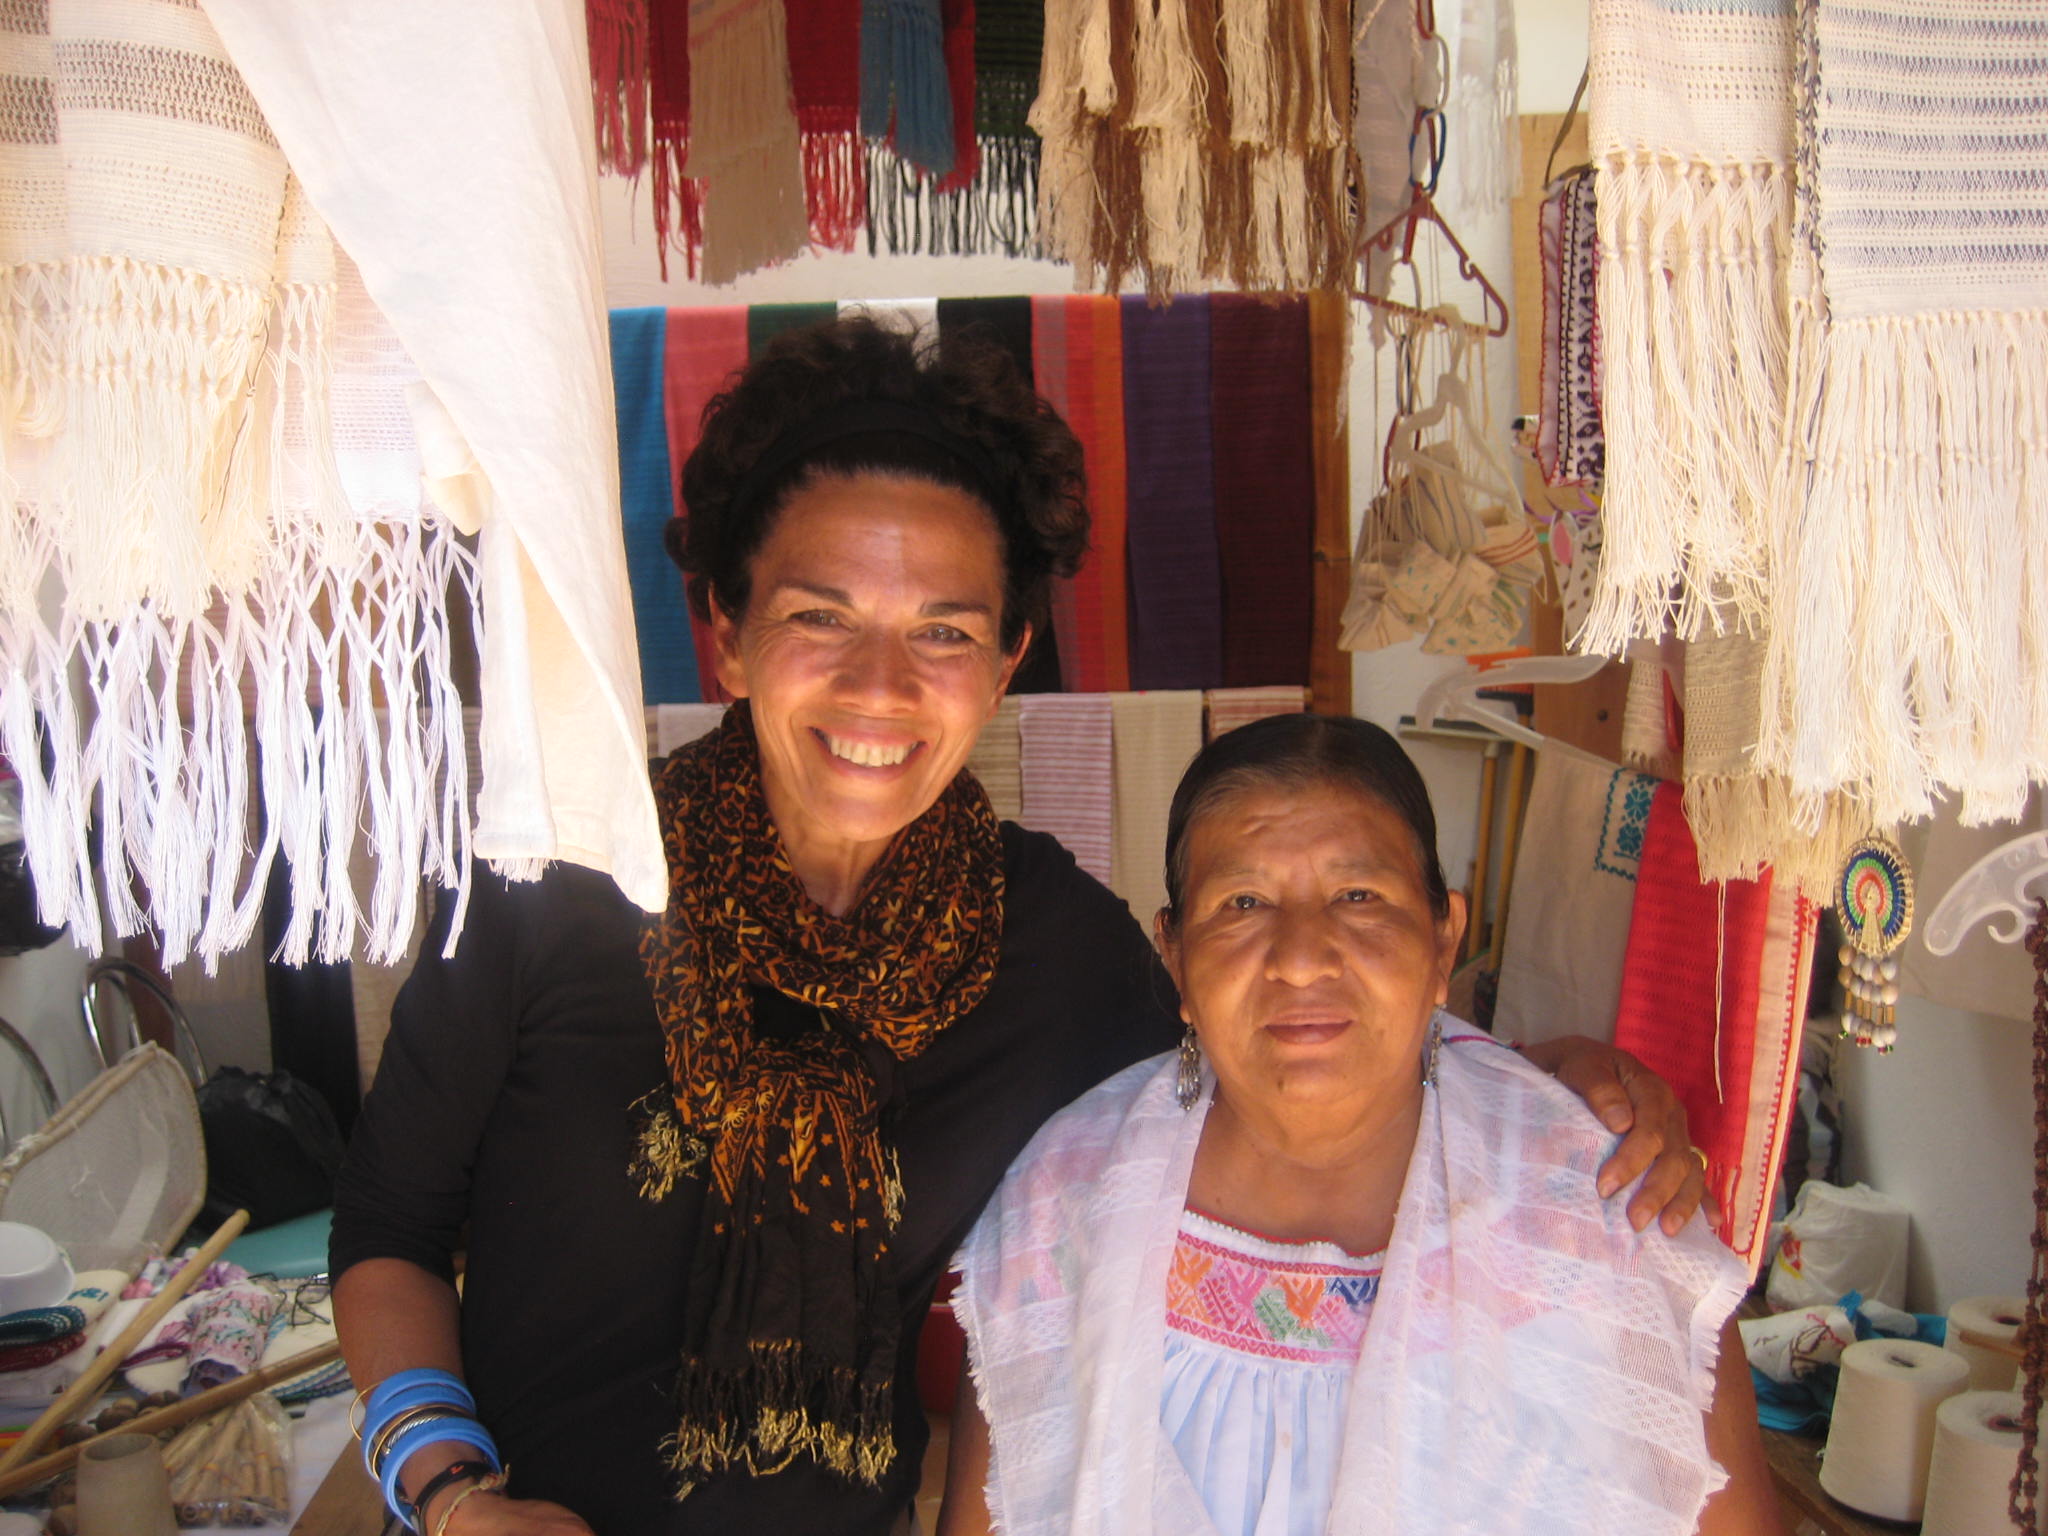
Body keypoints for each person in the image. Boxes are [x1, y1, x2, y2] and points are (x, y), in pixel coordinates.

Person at [330, 317, 1712, 1536]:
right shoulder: (557, 879)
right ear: (728, 633)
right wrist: (450, 1493)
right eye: (821, 616)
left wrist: (1545, 1084)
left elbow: (1287, 1027)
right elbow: (389, 1225)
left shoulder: (1051, 948)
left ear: (1004, 665)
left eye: (943, 632)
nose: (881, 686)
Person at [942, 712, 1782, 1536]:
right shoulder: (1063, 1202)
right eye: (1243, 902)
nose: (1301, 957)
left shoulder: (1598, 1203)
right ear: (1176, 957)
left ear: (1443, 941)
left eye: (1358, 896)